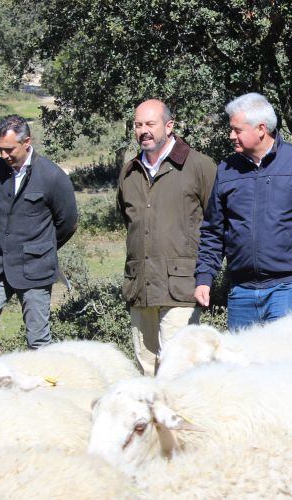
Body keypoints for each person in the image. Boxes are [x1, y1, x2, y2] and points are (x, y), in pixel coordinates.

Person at [194, 93, 292, 330]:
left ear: (261, 129)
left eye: (237, 130)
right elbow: (213, 231)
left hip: (289, 289)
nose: (231, 136)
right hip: (241, 291)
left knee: (284, 364)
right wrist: (204, 277)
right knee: (242, 365)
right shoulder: (227, 170)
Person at [118, 99, 217, 374]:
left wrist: (208, 275)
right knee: (146, 367)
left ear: (169, 126)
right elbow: (129, 221)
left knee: (178, 369)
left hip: (182, 286)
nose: (143, 131)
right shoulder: (129, 171)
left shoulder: (199, 166)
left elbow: (217, 222)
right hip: (141, 285)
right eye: (138, 125)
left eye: (150, 124)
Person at [0, 115, 78, 361]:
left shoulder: (52, 176)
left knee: (38, 339)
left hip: (35, 268)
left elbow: (68, 222)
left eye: (9, 149)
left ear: (27, 141)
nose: (4, 155)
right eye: (0, 149)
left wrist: (41, 247)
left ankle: (44, 394)